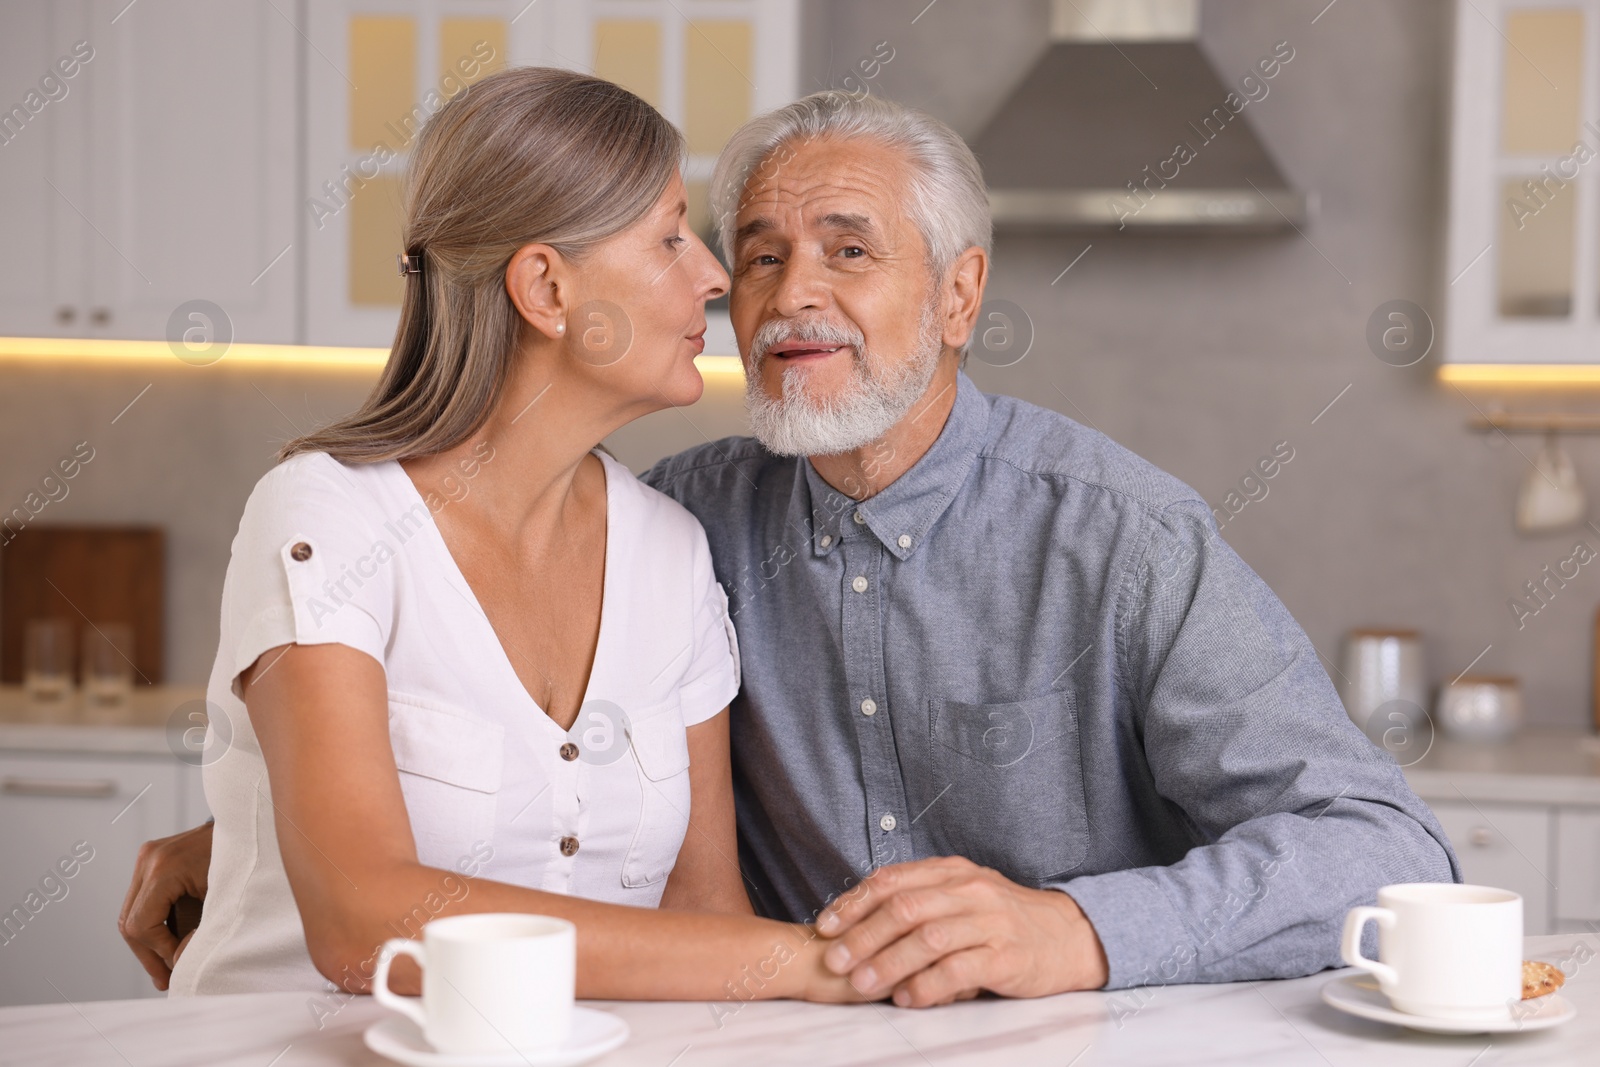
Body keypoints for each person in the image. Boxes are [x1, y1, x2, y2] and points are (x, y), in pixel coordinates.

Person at [125, 88, 1460, 1009]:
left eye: (846, 249)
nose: (774, 292)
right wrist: (253, 814)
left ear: (958, 292)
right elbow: (478, 731)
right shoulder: (682, 518)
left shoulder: (1121, 538)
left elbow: (1390, 848)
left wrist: (1079, 928)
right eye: (752, 252)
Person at [146, 66, 859, 1003]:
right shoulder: (327, 517)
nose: (714, 275)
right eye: (669, 238)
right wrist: (806, 962)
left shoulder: (671, 550)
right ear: (547, 289)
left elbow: (704, 910)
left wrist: (861, 965)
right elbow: (366, 923)